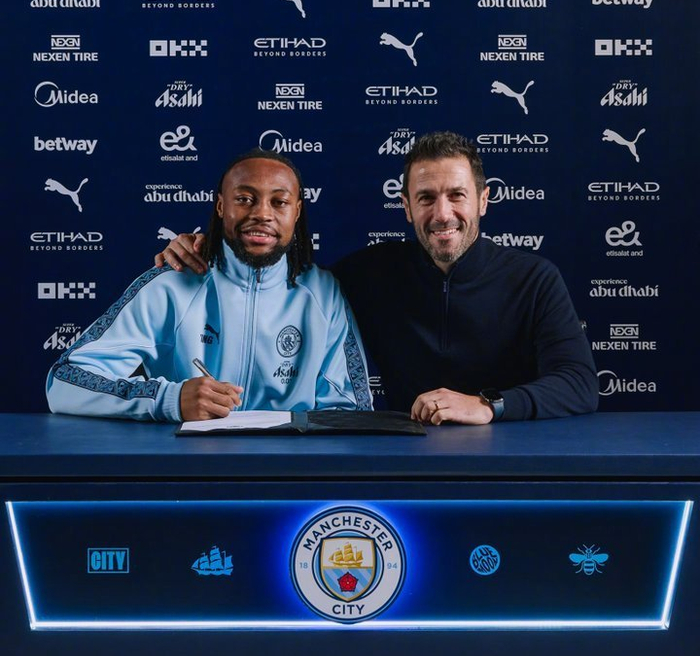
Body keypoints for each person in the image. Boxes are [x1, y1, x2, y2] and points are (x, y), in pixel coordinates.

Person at [156, 132, 598, 425]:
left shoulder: (534, 279)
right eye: (426, 198)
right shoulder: (367, 274)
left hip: (512, 458)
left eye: (457, 196)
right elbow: (275, 272)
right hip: (409, 459)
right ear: (405, 206)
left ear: (483, 201)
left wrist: (488, 405)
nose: (442, 214)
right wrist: (205, 248)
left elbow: (579, 383)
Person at [47, 150, 372, 422]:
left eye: (279, 202)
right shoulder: (172, 284)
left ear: (297, 212)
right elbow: (64, 383)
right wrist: (167, 399)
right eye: (244, 199)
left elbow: (352, 412)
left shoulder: (323, 293)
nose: (262, 213)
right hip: (188, 470)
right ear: (220, 206)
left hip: (289, 473)